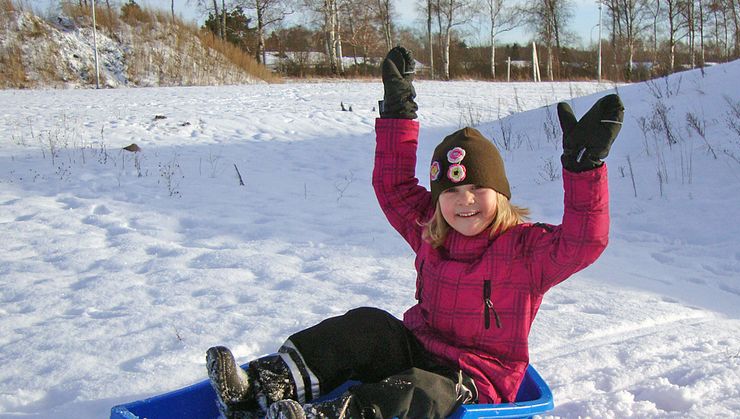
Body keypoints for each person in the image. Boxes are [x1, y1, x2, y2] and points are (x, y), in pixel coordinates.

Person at [205, 46, 624, 419]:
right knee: (366, 325)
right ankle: (262, 388)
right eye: (452, 191)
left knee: (418, 392)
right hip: (416, 346)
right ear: (438, 198)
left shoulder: (526, 250)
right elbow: (393, 186)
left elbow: (584, 241)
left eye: (478, 188)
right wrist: (397, 116)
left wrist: (583, 170)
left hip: (474, 379)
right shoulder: (431, 229)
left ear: (500, 194)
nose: (465, 201)